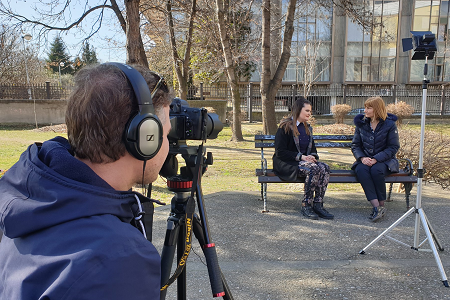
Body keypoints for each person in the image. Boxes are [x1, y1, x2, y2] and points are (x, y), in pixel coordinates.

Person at [0, 63, 173, 299]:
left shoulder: (23, 199)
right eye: (165, 134)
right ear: (144, 139)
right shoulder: (118, 258)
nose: (168, 145)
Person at [273, 97, 334, 220]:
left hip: (303, 162)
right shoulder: (285, 126)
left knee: (325, 167)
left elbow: (313, 149)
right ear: (297, 110)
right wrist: (301, 157)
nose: (309, 113)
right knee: (314, 169)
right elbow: (280, 152)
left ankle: (318, 204)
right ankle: (306, 204)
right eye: (307, 110)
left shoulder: (307, 128)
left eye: (310, 111)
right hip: (287, 163)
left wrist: (312, 156)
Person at [351, 96, 400, 222]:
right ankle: (377, 207)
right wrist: (362, 158)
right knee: (361, 170)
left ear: (377, 109)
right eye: (365, 107)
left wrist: (376, 159)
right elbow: (356, 145)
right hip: (365, 160)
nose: (365, 110)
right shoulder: (362, 124)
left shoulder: (389, 125)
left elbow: (393, 147)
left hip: (385, 161)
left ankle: (381, 205)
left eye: (369, 108)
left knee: (376, 170)